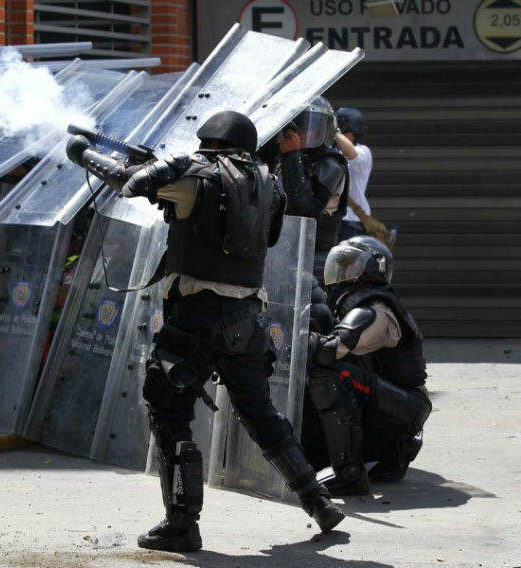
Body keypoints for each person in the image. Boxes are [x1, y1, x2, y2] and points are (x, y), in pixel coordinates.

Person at [65, 110, 344, 553]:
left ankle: (182, 523)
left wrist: (82, 153)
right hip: (248, 318)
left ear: (208, 138)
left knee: (169, 409)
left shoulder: (194, 173)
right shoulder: (266, 181)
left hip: (195, 316)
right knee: (261, 413)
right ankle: (318, 501)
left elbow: (128, 183)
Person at [304, 236, 431, 496]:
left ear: (373, 270)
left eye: (350, 265)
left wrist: (293, 338)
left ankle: (349, 474)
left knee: (331, 377)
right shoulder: (349, 304)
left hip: (406, 406)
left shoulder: (375, 308)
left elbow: (332, 349)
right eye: (340, 264)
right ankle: (393, 450)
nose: (341, 272)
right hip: (387, 402)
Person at [279, 97, 349, 278]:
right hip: (282, 251)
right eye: (299, 126)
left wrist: (292, 155)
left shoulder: (331, 165)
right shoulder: (288, 158)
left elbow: (302, 210)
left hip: (314, 259)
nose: (302, 133)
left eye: (310, 126)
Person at [334, 107, 373, 242]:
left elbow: (351, 154)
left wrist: (333, 130)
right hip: (332, 221)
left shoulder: (363, 152)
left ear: (354, 130)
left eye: (342, 127)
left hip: (351, 222)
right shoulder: (331, 151)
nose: (340, 131)